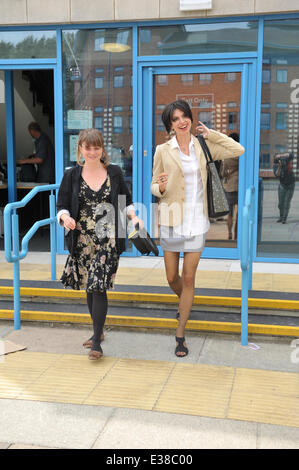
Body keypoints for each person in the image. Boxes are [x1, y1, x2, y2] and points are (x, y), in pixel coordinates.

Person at [151, 100, 244, 358]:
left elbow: (239, 149)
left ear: (191, 118)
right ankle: (186, 300)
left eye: (185, 116)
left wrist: (211, 133)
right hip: (172, 219)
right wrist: (159, 187)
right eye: (176, 118)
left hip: (196, 221)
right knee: (172, 278)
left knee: (188, 278)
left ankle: (180, 333)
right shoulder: (162, 150)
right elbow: (153, 184)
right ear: (170, 125)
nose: (182, 121)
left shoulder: (203, 146)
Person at [56, 128, 143, 360]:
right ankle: (98, 331)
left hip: (108, 239)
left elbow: (126, 202)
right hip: (82, 240)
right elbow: (62, 204)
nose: (92, 152)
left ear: (102, 148)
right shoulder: (71, 175)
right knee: (89, 285)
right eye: (88, 147)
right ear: (80, 149)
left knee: (98, 286)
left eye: (96, 147)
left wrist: (134, 218)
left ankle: (96, 341)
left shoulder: (114, 173)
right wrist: (65, 218)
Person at [221, 132, 240, 240]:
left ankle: (229, 234)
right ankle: (236, 234)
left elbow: (223, 173)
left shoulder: (227, 156)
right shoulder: (242, 154)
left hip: (230, 188)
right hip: (240, 187)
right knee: (238, 215)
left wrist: (227, 174)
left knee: (230, 214)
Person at [273, 153, 295, 224]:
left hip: (291, 184)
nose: (281, 160)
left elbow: (291, 155)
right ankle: (281, 216)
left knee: (286, 203)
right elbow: (277, 174)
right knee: (281, 203)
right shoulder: (276, 165)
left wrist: (282, 156)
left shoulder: (288, 159)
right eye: (278, 158)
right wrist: (279, 166)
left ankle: (284, 219)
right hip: (282, 185)